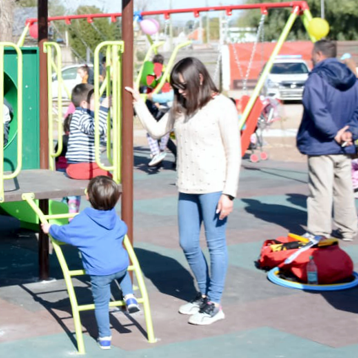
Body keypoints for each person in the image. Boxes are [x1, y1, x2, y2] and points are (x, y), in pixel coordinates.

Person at [127, 57, 240, 326]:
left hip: (214, 186)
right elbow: (156, 131)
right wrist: (138, 103)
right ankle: (204, 295)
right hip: (187, 185)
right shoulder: (180, 107)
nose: (179, 91)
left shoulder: (222, 106)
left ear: (199, 78)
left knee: (215, 245)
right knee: (188, 242)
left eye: (183, 86)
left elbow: (234, 152)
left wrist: (229, 193)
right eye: (176, 87)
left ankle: (214, 302)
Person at [41, 176, 138, 350]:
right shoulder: (114, 218)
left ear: (87, 196)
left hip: (100, 271)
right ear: (116, 199)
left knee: (101, 305)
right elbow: (123, 228)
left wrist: (50, 229)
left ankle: (105, 337)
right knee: (121, 270)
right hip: (121, 264)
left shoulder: (83, 220)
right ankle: (129, 296)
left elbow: (66, 234)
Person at [296, 40, 358, 241]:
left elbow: (316, 109)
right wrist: (352, 132)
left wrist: (333, 132)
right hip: (344, 144)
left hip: (320, 142)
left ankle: (319, 230)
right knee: (344, 188)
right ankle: (348, 228)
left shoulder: (316, 78)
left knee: (321, 190)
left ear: (318, 54)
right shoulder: (352, 79)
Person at [64, 83, 110, 181]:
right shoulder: (81, 116)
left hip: (81, 165)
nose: (98, 103)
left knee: (108, 177)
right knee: (109, 179)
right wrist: (104, 108)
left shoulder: (82, 116)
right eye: (96, 101)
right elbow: (97, 130)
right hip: (82, 166)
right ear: (84, 104)